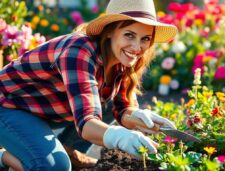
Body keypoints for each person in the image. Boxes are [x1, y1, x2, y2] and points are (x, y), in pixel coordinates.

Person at [0, 0, 178, 170]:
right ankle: (3, 157)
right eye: (129, 35)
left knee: (104, 100)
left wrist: (141, 118)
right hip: (8, 106)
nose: (137, 47)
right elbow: (87, 123)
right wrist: (118, 137)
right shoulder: (79, 51)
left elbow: (122, 108)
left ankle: (67, 150)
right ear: (109, 31)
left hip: (40, 109)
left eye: (145, 38)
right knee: (55, 167)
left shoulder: (121, 60)